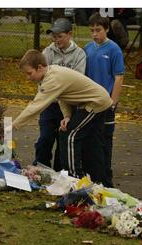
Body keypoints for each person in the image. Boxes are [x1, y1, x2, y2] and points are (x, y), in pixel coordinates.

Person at [10, 50, 112, 184]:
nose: (28, 78)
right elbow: (63, 96)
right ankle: (101, 182)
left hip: (96, 103)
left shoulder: (52, 79)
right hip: (92, 102)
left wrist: (13, 125)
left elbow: (36, 106)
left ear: (40, 67)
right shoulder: (51, 74)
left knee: (70, 135)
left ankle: (73, 179)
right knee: (91, 144)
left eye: (29, 73)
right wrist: (67, 116)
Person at [35, 18, 86, 171]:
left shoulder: (79, 54)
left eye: (60, 36)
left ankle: (59, 174)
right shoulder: (48, 52)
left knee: (62, 142)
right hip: (50, 104)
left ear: (70, 34)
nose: (56, 40)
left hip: (69, 106)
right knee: (45, 138)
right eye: (54, 36)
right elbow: (41, 76)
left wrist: (58, 87)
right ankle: (40, 170)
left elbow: (77, 80)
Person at [84, 13, 125, 188]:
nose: (95, 34)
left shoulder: (114, 49)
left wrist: (112, 102)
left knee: (105, 141)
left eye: (98, 30)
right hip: (90, 103)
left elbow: (119, 77)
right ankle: (92, 176)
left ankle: (107, 181)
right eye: (92, 30)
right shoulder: (87, 48)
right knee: (90, 140)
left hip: (106, 104)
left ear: (106, 29)